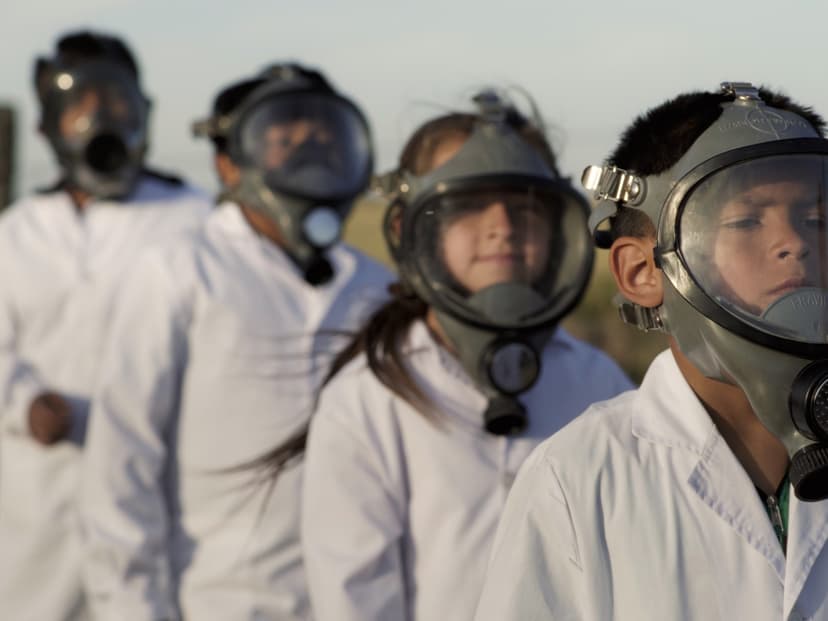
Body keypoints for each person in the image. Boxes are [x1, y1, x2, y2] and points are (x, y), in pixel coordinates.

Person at [474, 81, 828, 621]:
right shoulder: (577, 479)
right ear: (643, 272)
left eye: (817, 220)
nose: (796, 243)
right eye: (746, 220)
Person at [299, 90, 632, 621]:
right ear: (410, 231)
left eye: (524, 205)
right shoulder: (367, 402)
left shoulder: (601, 384)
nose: (502, 224)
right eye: (470, 205)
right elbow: (354, 598)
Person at [80, 64, 393, 621]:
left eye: (324, 136)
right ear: (228, 164)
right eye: (284, 138)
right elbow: (122, 461)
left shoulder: (379, 289)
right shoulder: (180, 271)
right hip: (216, 602)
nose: (310, 150)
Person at [0, 30, 210, 621]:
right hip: (37, 518)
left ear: (145, 110)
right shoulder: (16, 233)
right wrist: (24, 404)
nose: (100, 120)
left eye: (115, 101)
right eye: (79, 106)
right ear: (47, 127)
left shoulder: (196, 221)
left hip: (160, 507)